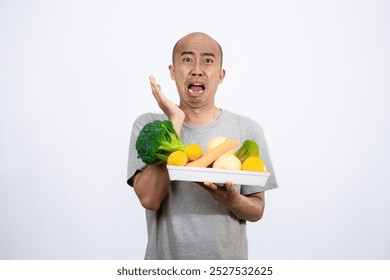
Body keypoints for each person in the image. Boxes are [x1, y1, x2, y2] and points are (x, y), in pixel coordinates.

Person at [127, 32, 278, 260]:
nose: (197, 69)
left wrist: (232, 199)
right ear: (172, 71)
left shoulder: (247, 129)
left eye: (208, 60)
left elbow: (257, 210)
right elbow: (149, 199)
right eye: (187, 59)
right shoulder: (149, 126)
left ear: (220, 74)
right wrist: (175, 121)